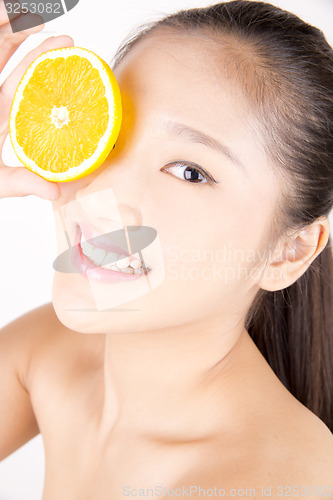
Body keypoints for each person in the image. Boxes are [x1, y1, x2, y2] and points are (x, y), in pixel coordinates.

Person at [0, 0, 333, 497]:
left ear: (290, 251)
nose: (96, 193)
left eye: (190, 172)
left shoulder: (265, 486)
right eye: (108, 134)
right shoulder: (50, 356)